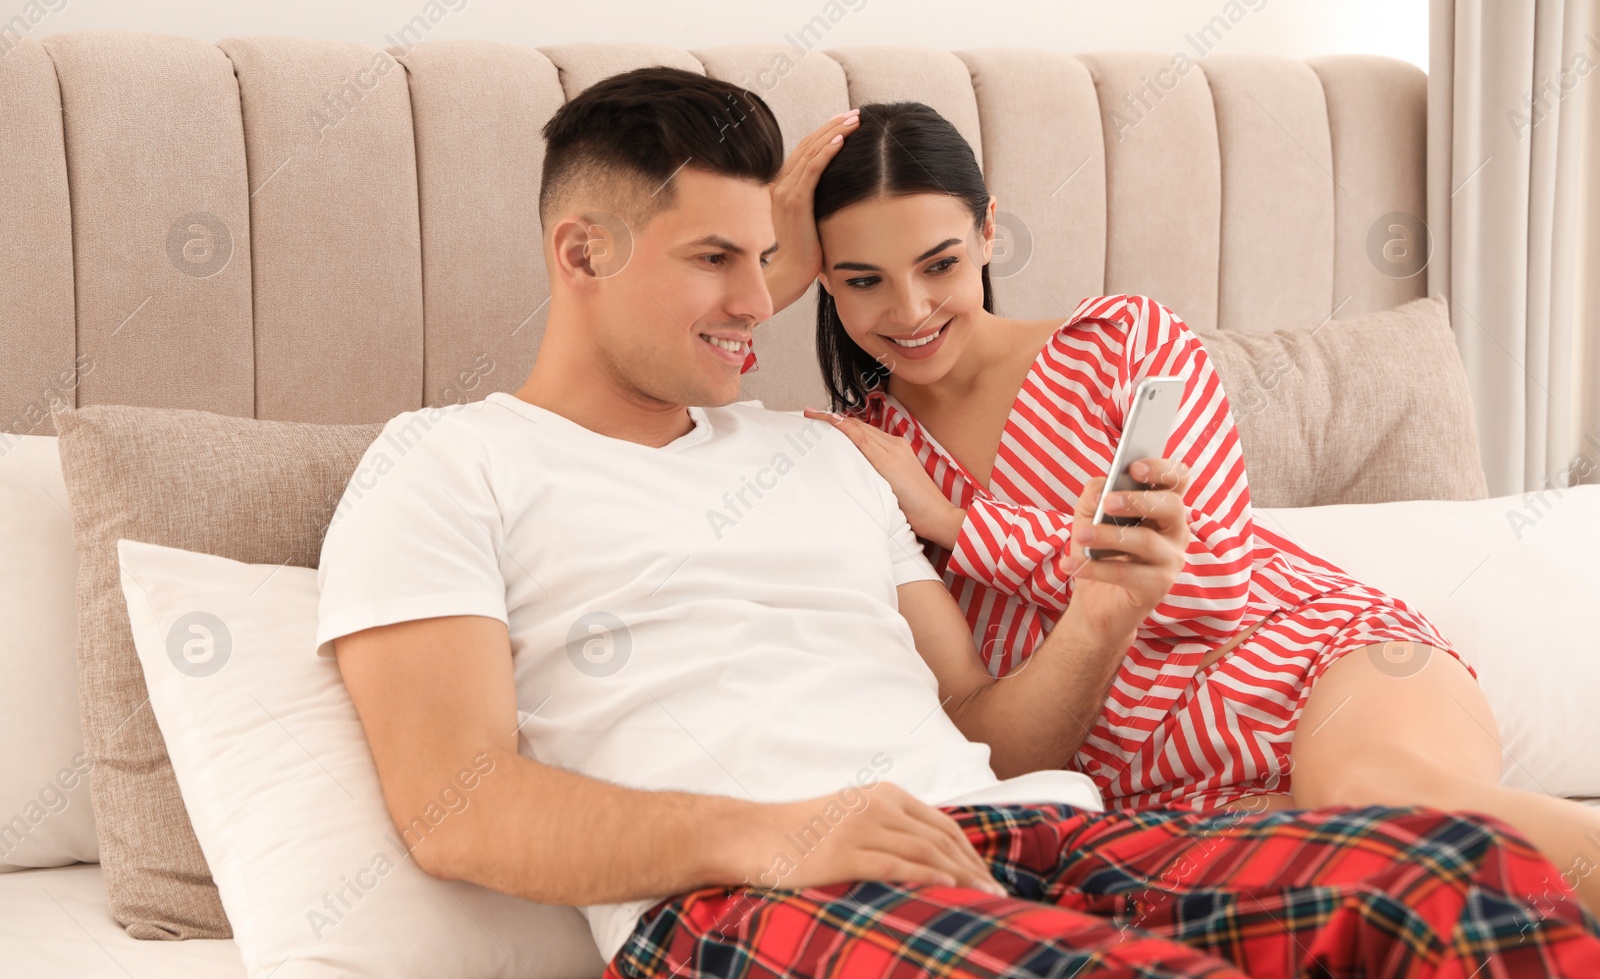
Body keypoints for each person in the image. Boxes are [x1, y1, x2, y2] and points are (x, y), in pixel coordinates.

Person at [318, 66, 1600, 979]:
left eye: (770, 259)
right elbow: (458, 805)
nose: (761, 301)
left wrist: (1098, 615)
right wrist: (770, 831)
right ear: (580, 252)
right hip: (746, 894)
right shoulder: (446, 462)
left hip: (1032, 824)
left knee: (1457, 883)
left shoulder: (819, 457)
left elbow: (978, 728)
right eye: (719, 258)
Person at [758, 97, 1600, 918]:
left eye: (939, 264)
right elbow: (979, 735)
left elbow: (1210, 583)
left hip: (1319, 672)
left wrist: (960, 524)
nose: (908, 310)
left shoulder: (1123, 341)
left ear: (988, 233)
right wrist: (769, 279)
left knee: (1380, 810)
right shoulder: (862, 461)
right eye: (862, 280)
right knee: (1353, 911)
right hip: (1166, 799)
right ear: (823, 280)